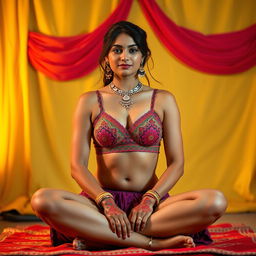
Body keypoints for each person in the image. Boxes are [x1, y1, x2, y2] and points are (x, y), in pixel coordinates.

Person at [31, 21, 227, 251]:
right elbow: (77, 166)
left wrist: (149, 200)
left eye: (133, 50)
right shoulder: (90, 101)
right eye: (117, 50)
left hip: (152, 207)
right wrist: (106, 202)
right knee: (42, 200)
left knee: (215, 201)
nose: (125, 56)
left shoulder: (163, 100)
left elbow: (177, 164)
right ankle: (150, 242)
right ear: (106, 58)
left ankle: (100, 235)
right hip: (99, 203)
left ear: (143, 57)